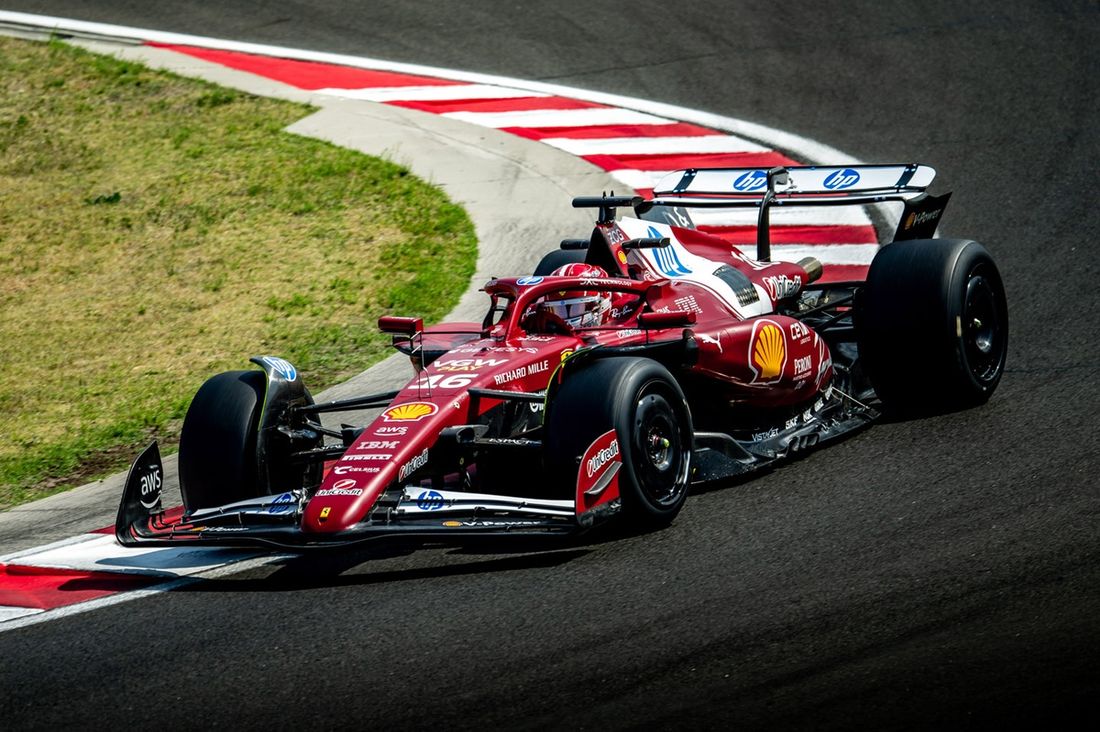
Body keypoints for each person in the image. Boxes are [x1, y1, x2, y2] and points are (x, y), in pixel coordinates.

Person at [523, 263, 613, 333]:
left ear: (598, 305)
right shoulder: (535, 316)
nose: (564, 321)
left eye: (575, 308)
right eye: (558, 311)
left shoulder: (623, 317)